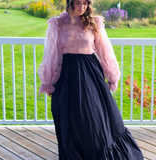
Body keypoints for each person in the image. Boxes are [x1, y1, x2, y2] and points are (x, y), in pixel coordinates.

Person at [38, 0, 144, 159]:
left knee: (93, 116)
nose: (81, 7)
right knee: (70, 116)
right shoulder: (58, 23)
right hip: (67, 76)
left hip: (90, 74)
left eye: (85, 3)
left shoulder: (93, 23)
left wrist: (112, 76)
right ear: (70, 3)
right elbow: (52, 53)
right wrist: (49, 81)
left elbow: (104, 51)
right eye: (77, 3)